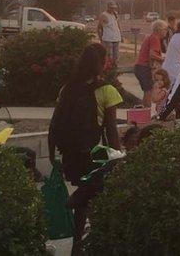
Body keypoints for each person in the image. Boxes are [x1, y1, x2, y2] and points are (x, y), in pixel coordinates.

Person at [48, 43, 123, 255]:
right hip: (94, 156)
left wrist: (54, 156)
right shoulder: (107, 91)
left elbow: (56, 122)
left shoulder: (67, 88)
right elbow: (111, 131)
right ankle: (97, 242)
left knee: (86, 199)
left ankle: (77, 245)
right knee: (99, 197)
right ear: (103, 62)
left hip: (71, 157)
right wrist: (117, 158)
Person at [135, 20, 167, 107]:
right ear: (159, 30)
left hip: (140, 67)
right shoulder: (155, 38)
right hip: (144, 67)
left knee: (147, 91)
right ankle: (146, 113)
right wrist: (163, 59)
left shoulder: (150, 37)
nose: (166, 32)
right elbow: (152, 54)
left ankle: (144, 111)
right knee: (148, 91)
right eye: (165, 29)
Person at [97, 2, 122, 69]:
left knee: (116, 56)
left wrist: (121, 35)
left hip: (116, 38)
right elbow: (99, 28)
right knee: (109, 55)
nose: (112, 9)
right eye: (111, 8)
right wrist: (101, 39)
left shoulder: (115, 14)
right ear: (108, 7)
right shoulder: (103, 15)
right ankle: (108, 69)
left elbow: (118, 25)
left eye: (114, 8)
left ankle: (115, 68)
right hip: (108, 39)